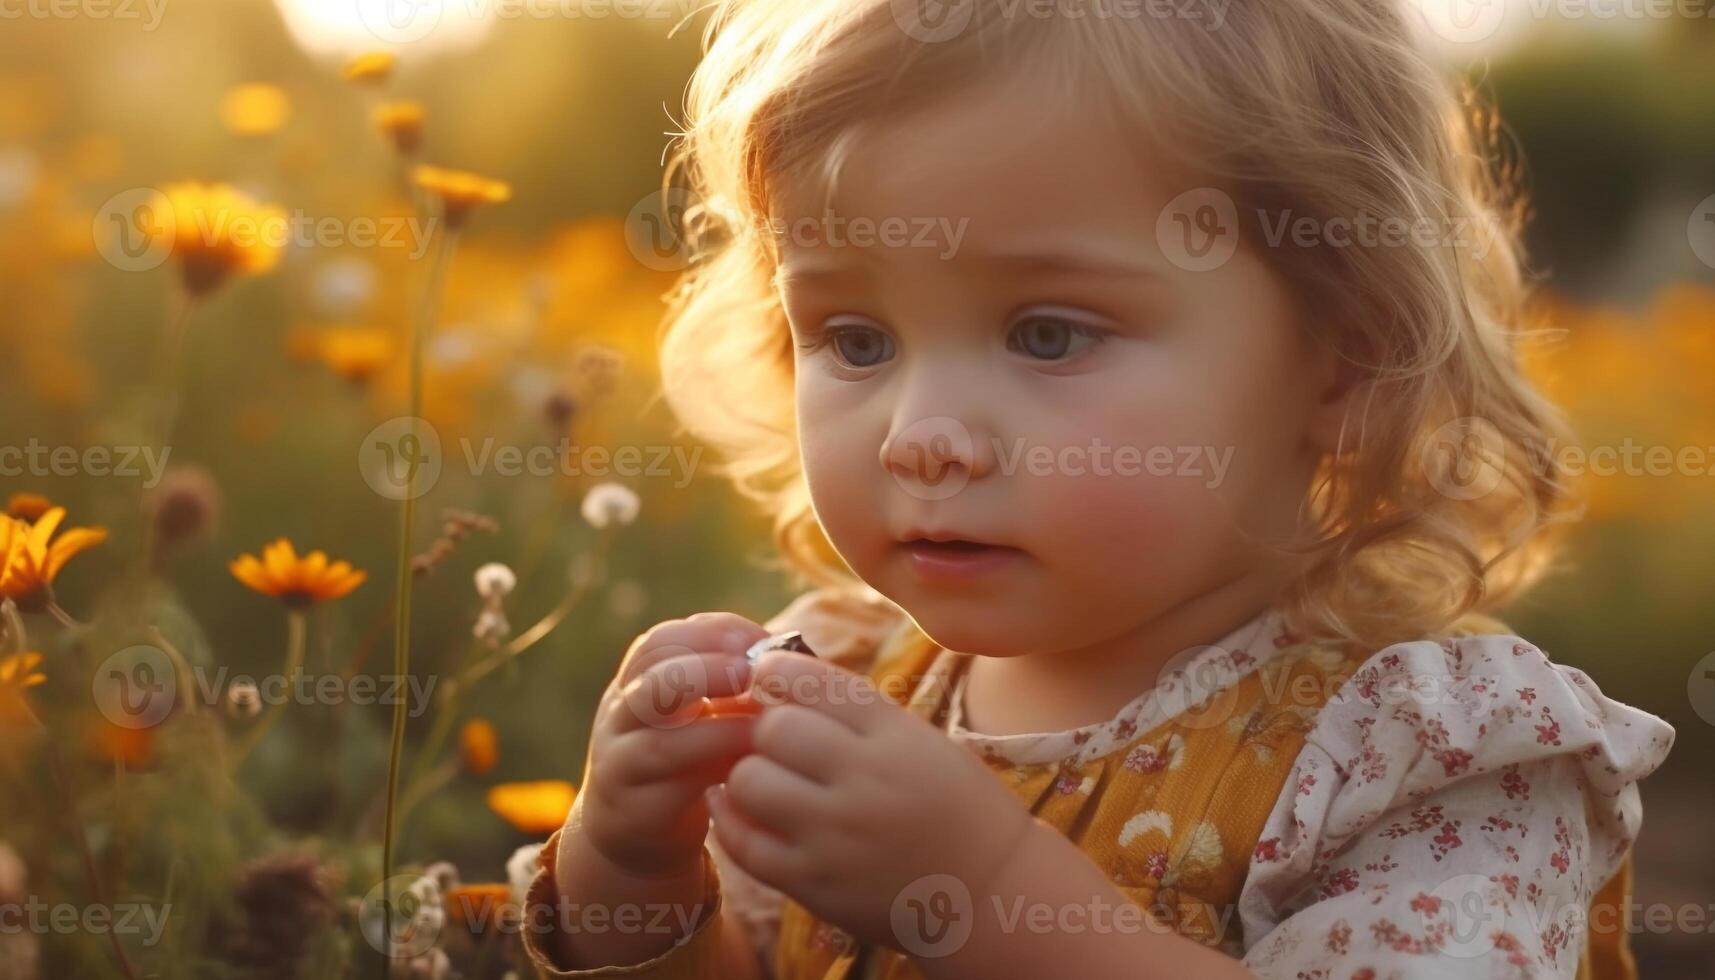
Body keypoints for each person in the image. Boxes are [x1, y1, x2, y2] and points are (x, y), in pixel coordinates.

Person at [521, 1, 1676, 976]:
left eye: (1048, 332)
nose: (922, 436)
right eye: (856, 338)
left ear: (1344, 357)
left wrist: (983, 890)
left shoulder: (1419, 762)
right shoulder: (847, 680)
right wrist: (631, 873)